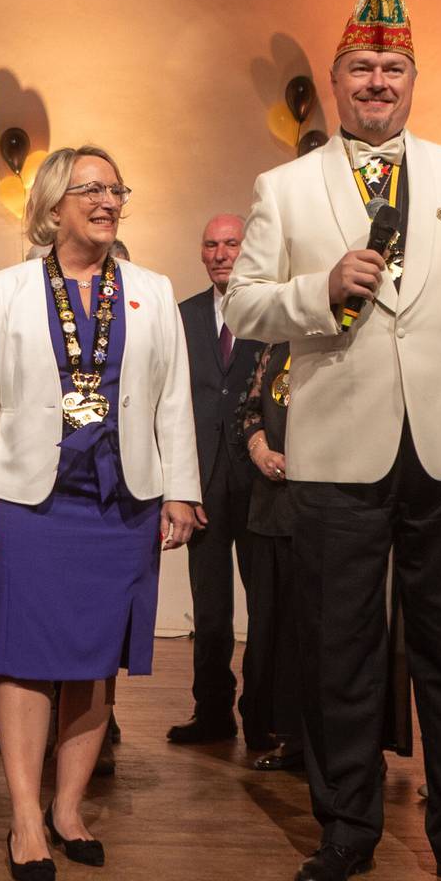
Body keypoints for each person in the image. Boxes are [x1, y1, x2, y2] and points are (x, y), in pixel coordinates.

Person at [223, 0, 441, 881]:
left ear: (414, 81)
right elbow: (244, 306)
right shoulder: (286, 187)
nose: (378, 81)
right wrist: (318, 289)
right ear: (335, 82)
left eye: (393, 68)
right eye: (362, 67)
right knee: (339, 650)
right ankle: (347, 829)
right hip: (336, 450)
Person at [0, 145, 200, 881]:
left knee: (95, 660)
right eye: (89, 189)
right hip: (30, 499)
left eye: (115, 188)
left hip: (120, 501)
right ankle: (25, 818)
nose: (106, 200)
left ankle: (67, 809)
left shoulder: (153, 290)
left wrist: (182, 488)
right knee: (24, 656)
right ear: (52, 205)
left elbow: (173, 399)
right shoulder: (6, 291)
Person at [171, 213, 267, 748]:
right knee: (210, 609)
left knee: (265, 607)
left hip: (261, 483)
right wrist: (180, 487)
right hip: (202, 483)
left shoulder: (271, 311)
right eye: (211, 244)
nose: (221, 253)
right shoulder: (181, 315)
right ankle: (211, 712)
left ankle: (262, 714)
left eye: (231, 243)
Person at [238, 340, 302, 770]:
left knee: (308, 627)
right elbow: (251, 410)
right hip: (271, 506)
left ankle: (319, 740)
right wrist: (260, 450)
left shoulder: (341, 341)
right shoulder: (275, 347)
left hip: (324, 508)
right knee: (271, 624)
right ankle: (281, 733)